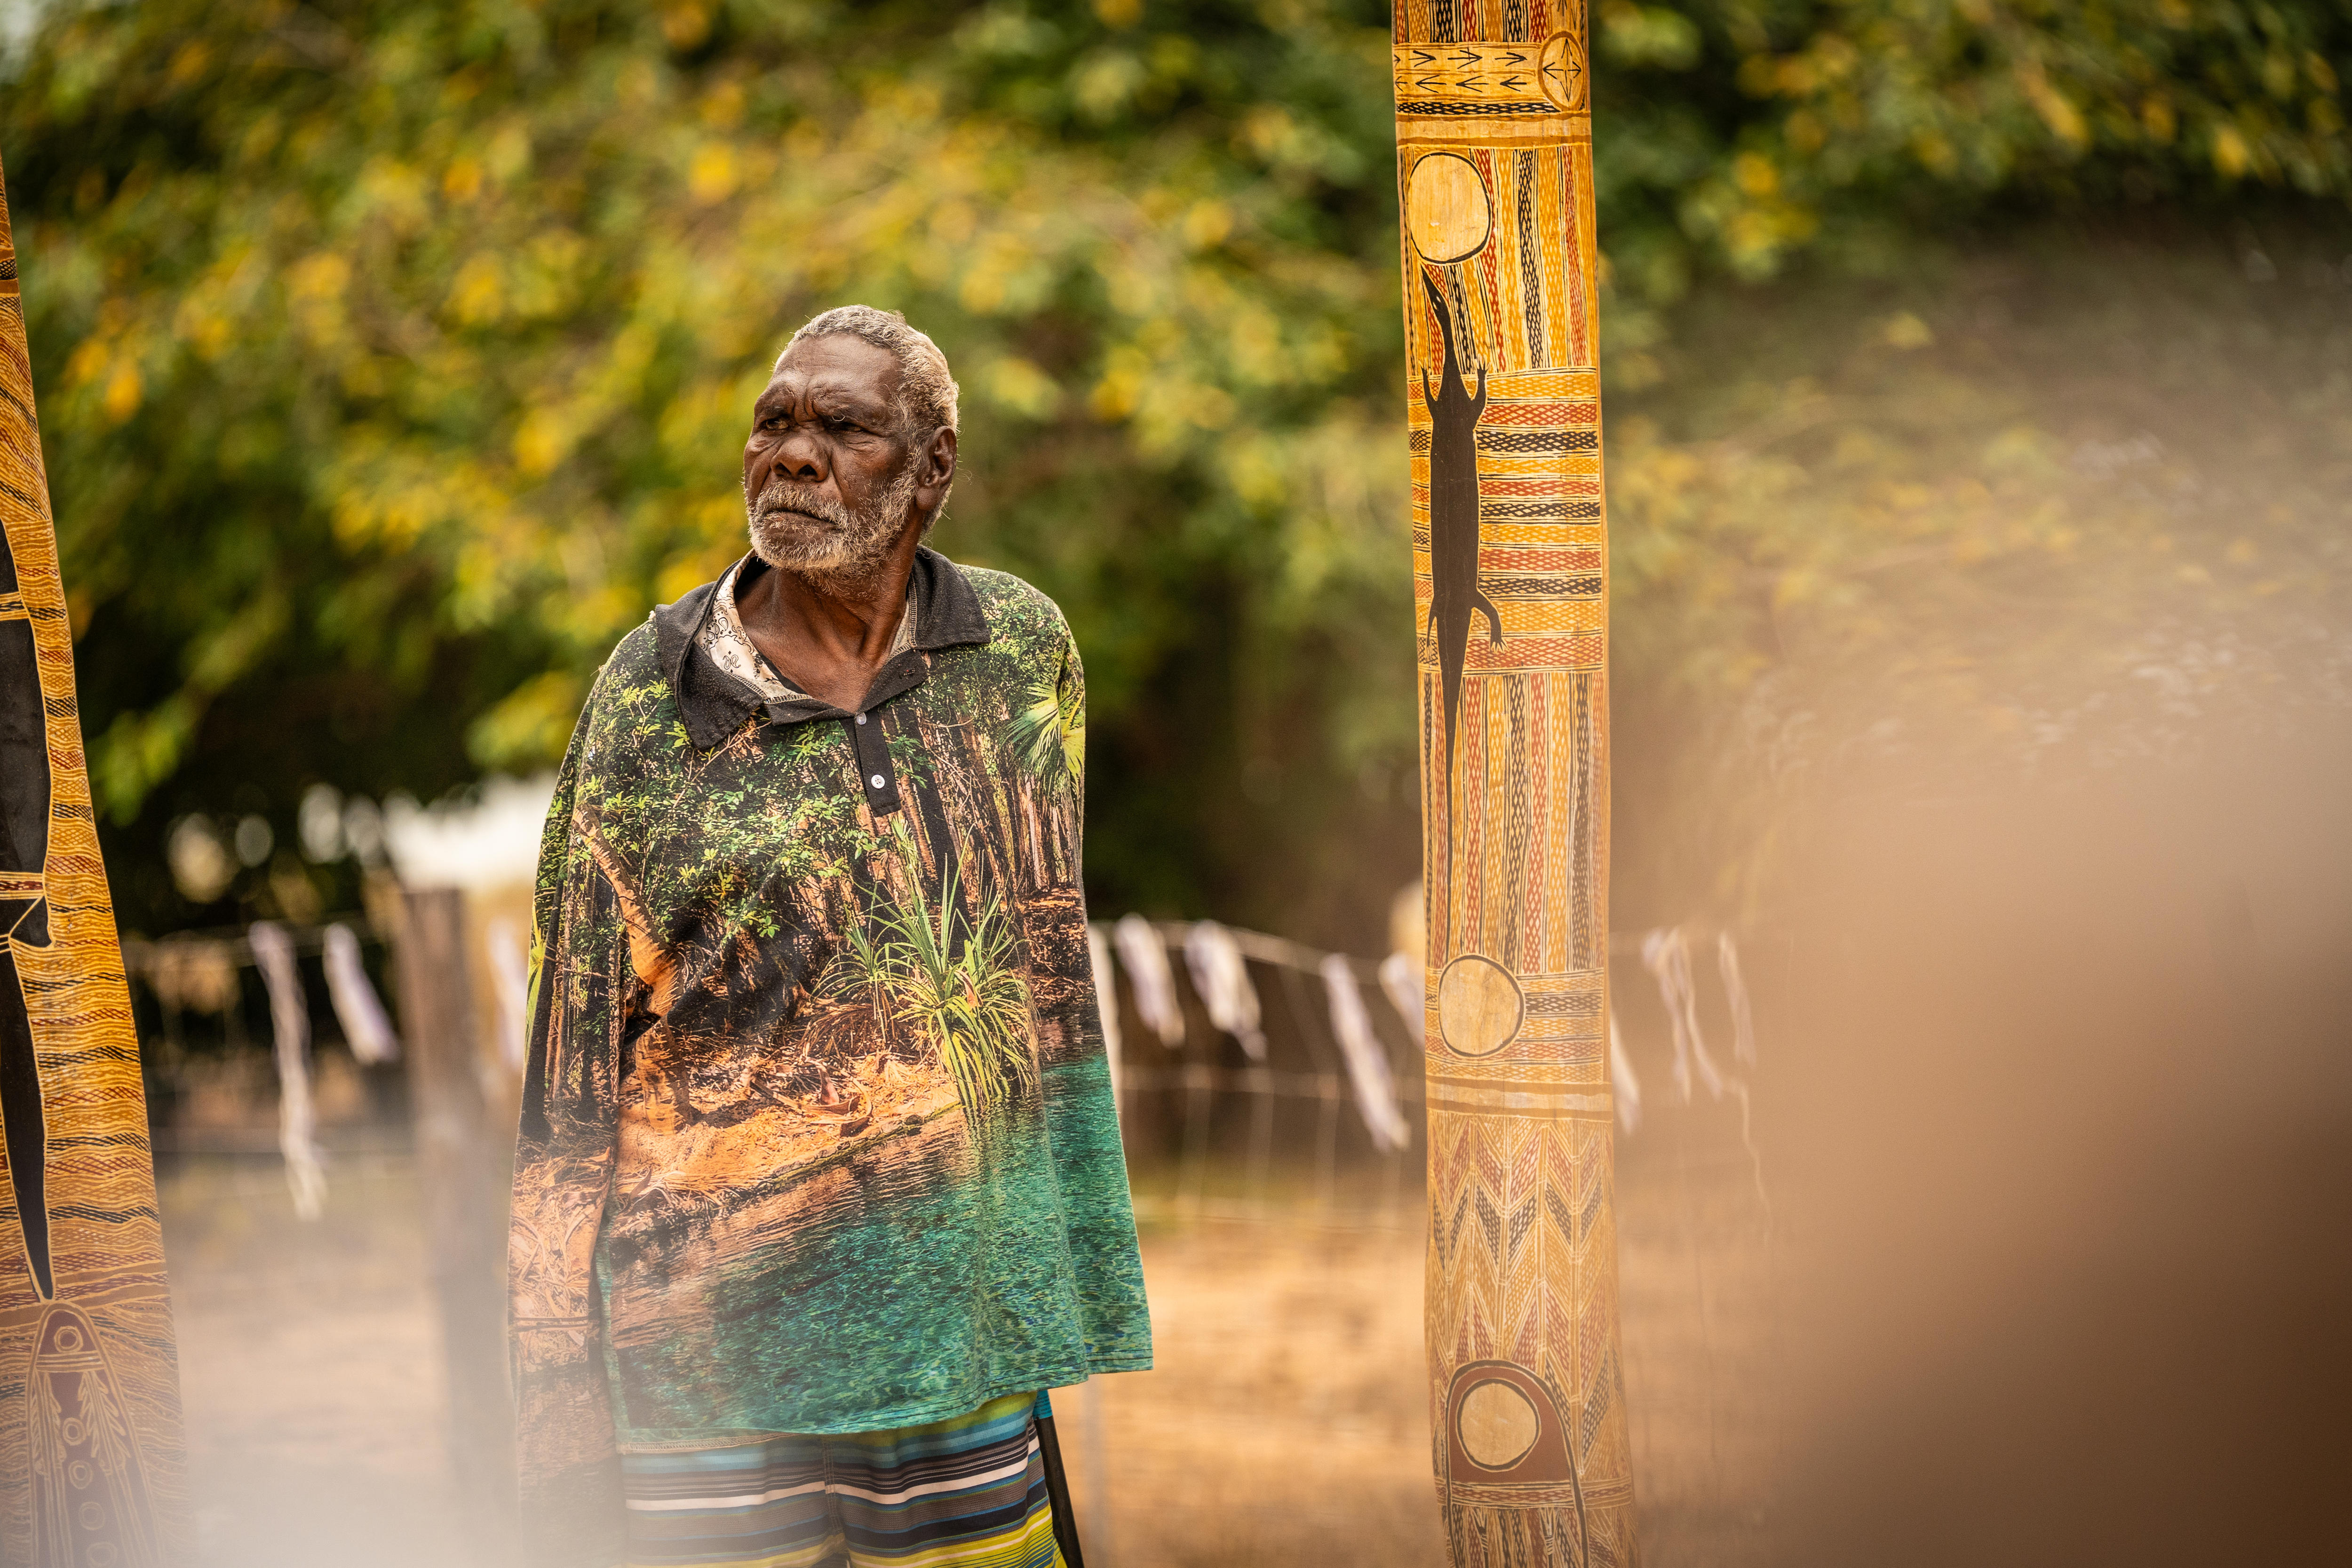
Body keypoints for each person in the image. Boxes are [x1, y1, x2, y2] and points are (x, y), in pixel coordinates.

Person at [509, 306, 1150, 1568]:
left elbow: (1036, 971)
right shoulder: (651, 696)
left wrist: (1044, 1287)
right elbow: (567, 1053)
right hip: (709, 1363)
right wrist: (552, 1384)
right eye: (772, 422)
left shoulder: (1020, 654)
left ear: (935, 468)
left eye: (842, 429)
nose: (791, 454)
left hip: (962, 1345)